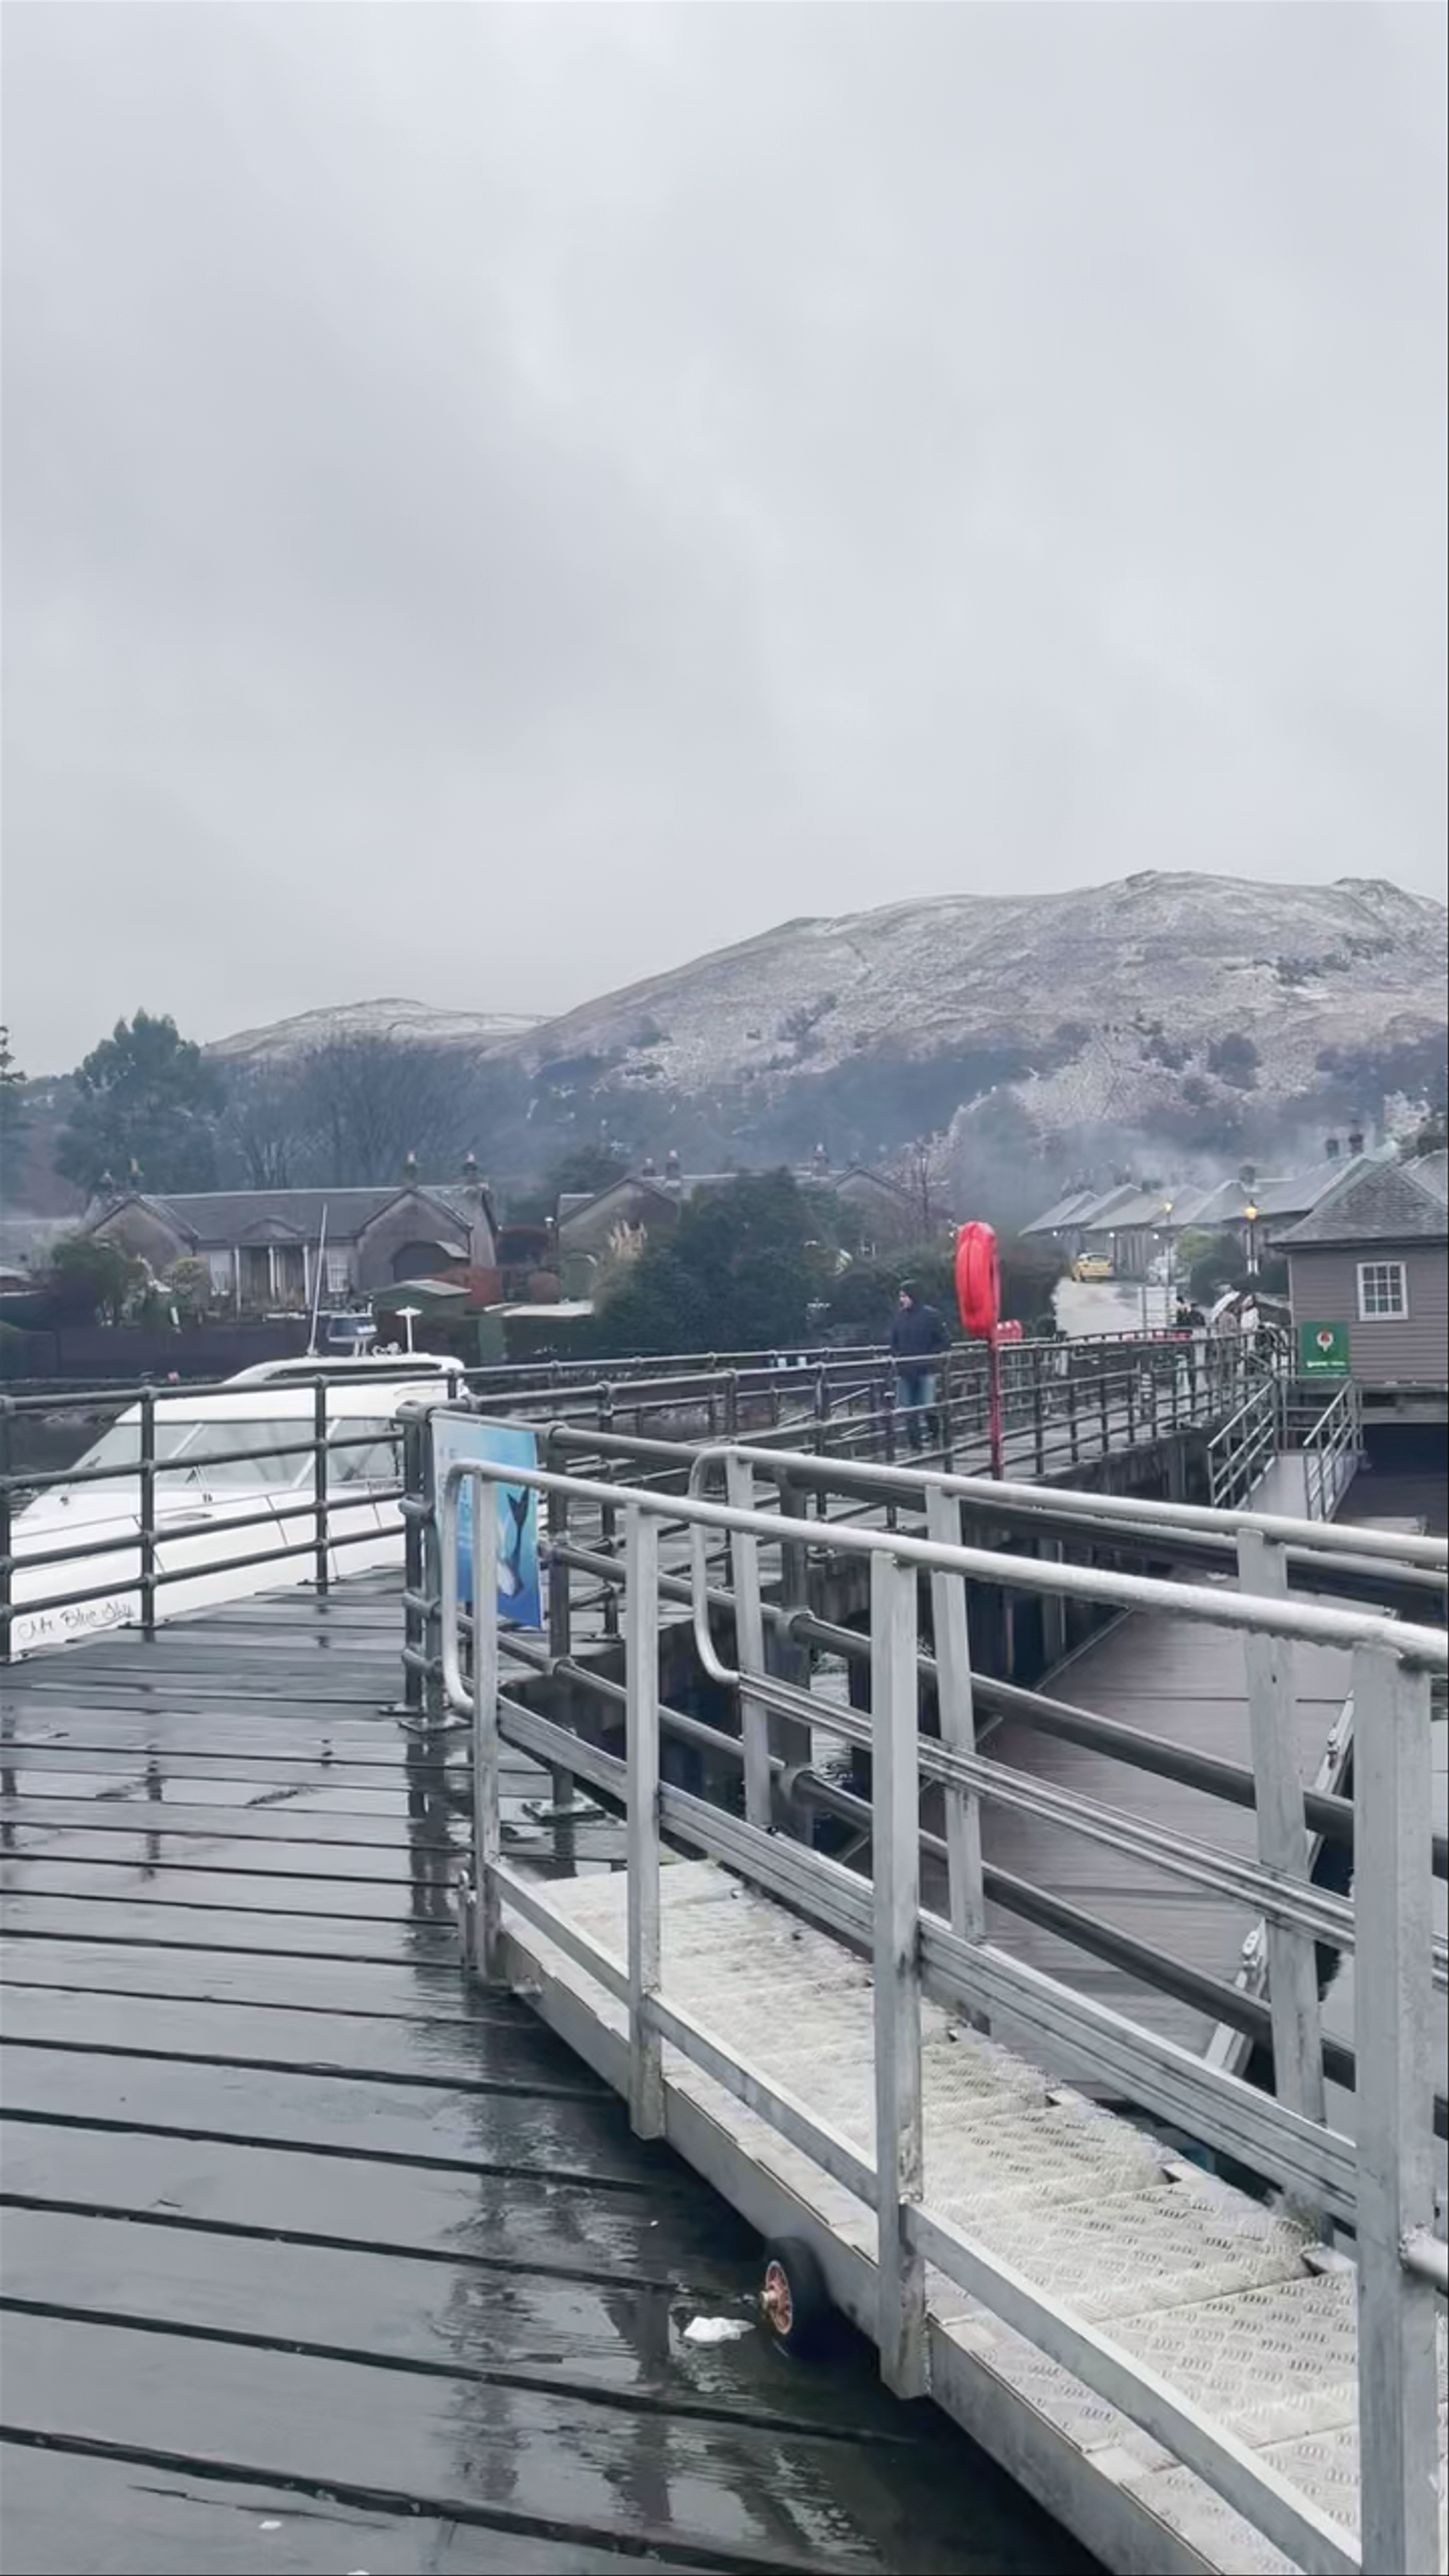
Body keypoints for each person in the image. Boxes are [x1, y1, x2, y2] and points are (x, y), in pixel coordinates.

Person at [889, 1280, 948, 1453]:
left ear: (914, 1296)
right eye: (901, 1297)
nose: (902, 1300)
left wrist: (930, 1356)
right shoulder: (899, 1317)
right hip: (906, 1369)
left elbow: (944, 1341)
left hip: (925, 1368)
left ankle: (935, 1436)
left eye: (905, 1296)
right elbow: (894, 1341)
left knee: (927, 1406)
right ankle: (916, 1446)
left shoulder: (931, 1316)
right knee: (908, 1410)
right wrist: (897, 1356)